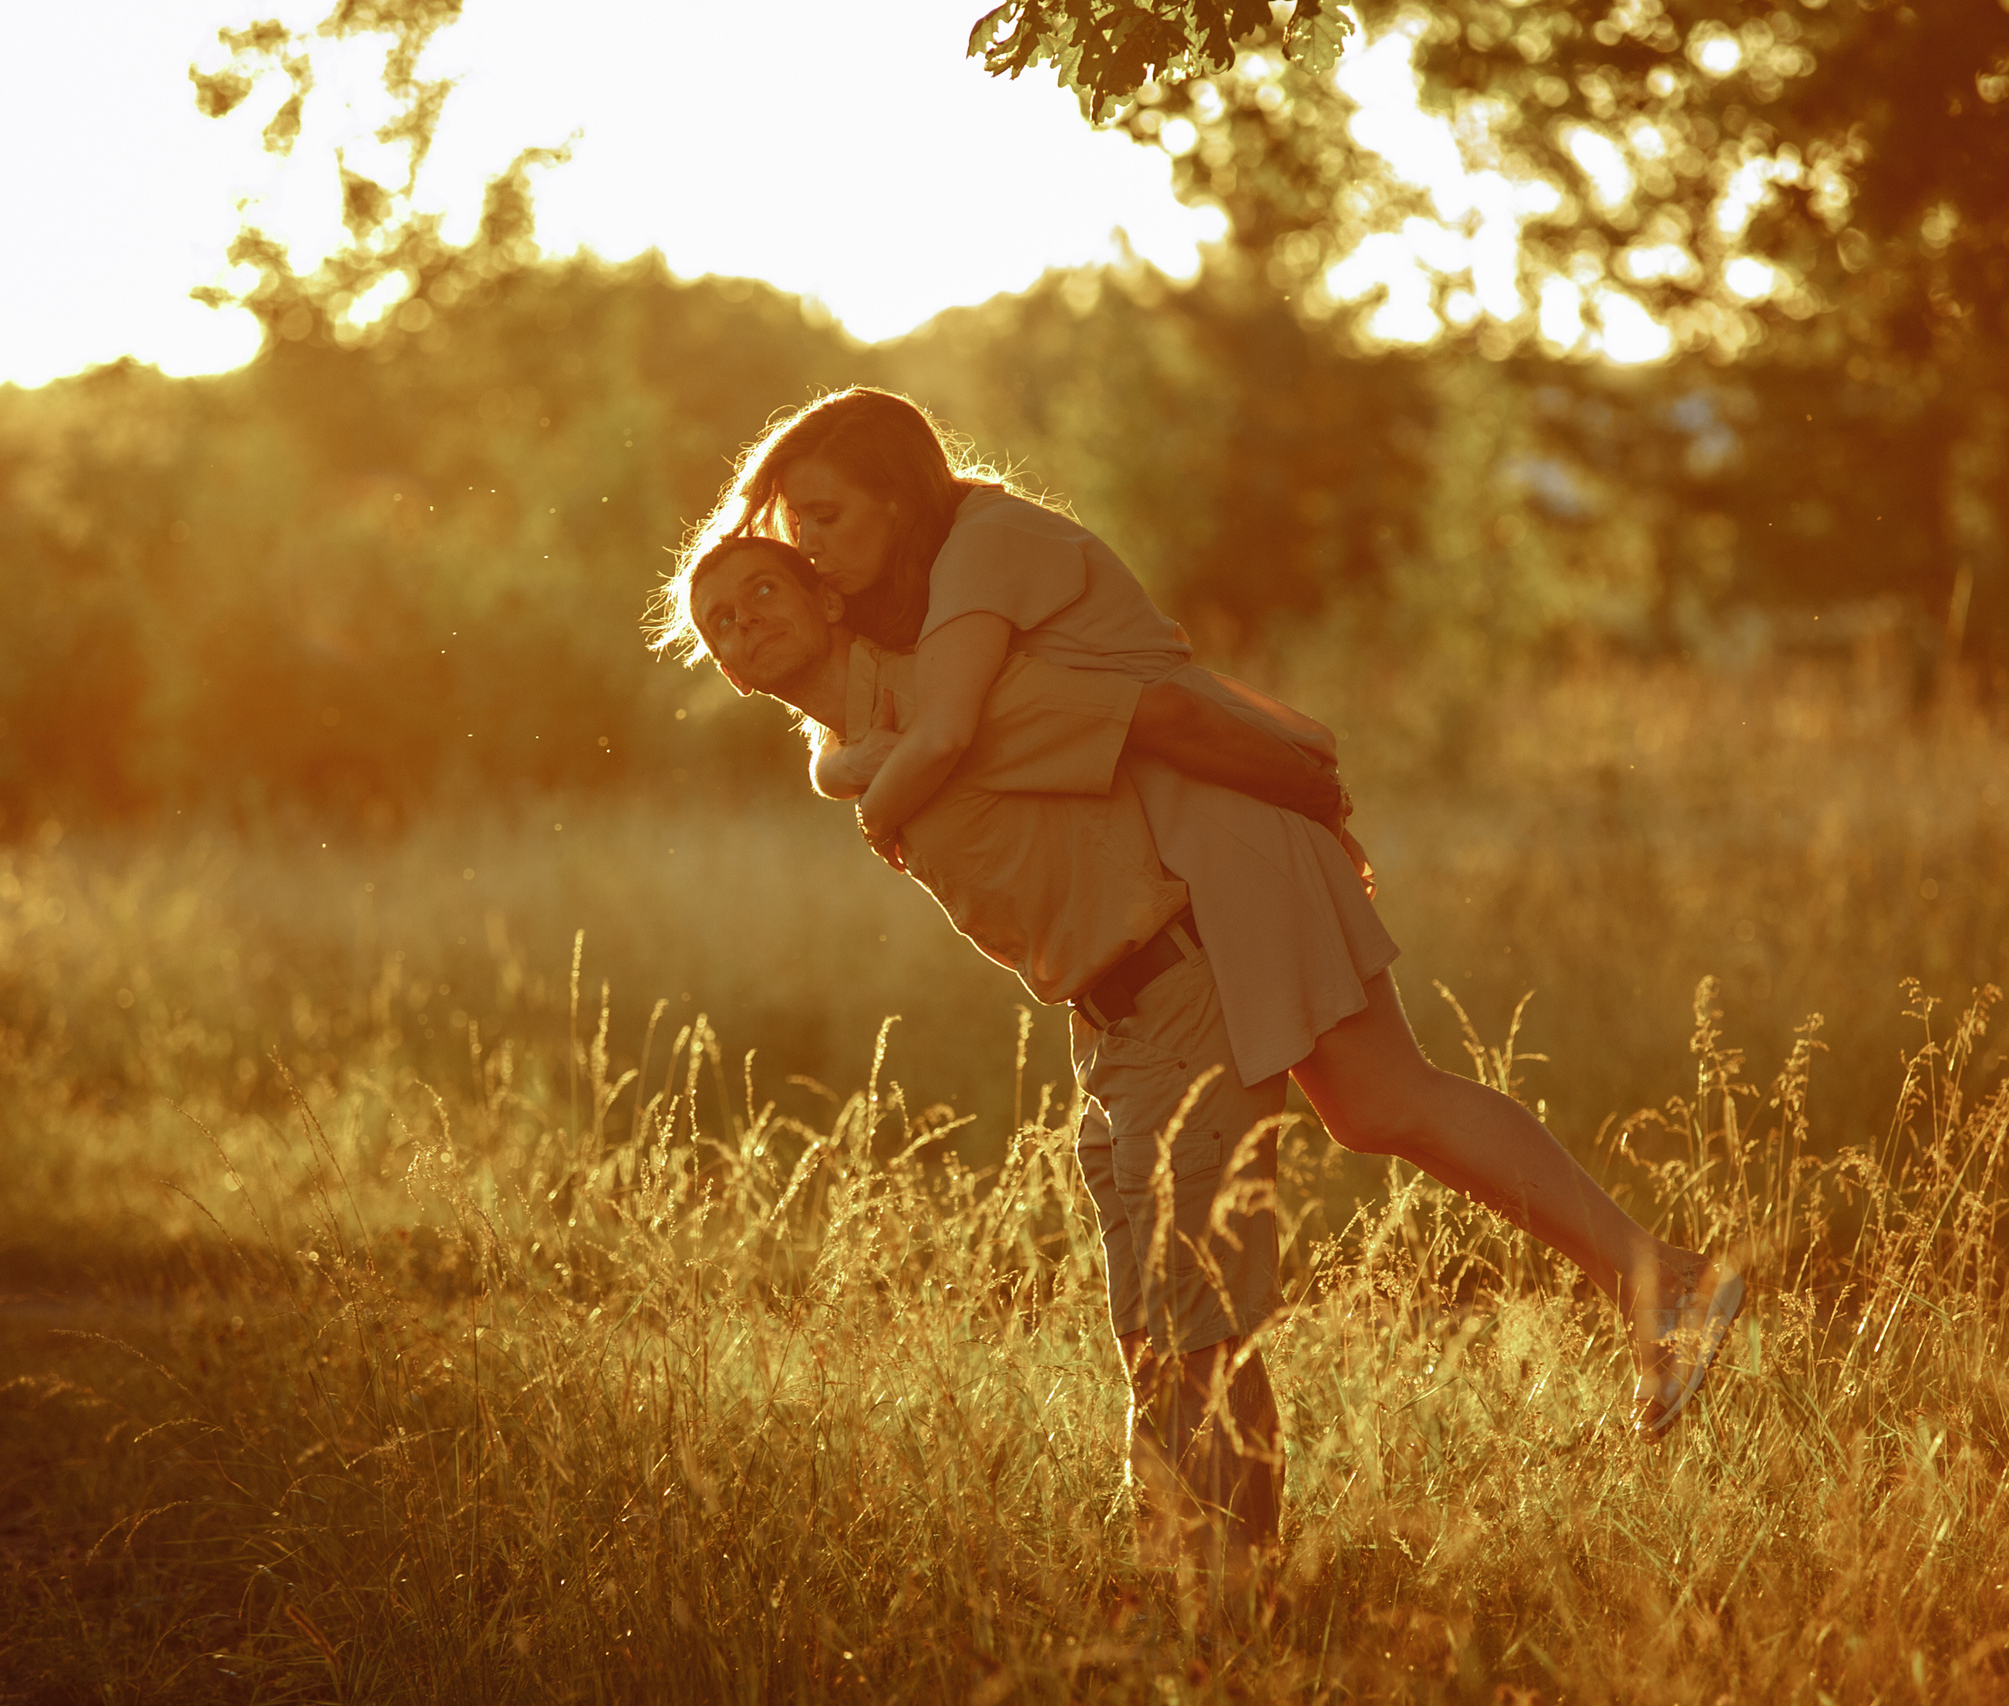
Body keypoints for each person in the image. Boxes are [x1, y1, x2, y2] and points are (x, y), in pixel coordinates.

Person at [648, 388, 1744, 1443]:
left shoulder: (982, 547)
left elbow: (1000, 730)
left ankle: (1656, 1282)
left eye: (828, 517)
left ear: (899, 495)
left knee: (1377, 1103)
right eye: (798, 525)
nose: (812, 547)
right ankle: (1659, 1280)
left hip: (1217, 844)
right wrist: (859, 776)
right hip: (1205, 837)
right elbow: (883, 750)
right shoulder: (930, 625)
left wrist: (1302, 782)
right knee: (1379, 1102)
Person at [679, 533, 1337, 1593]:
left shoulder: (955, 697)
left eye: (763, 587)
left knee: (1193, 1328)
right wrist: (857, 772)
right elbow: (847, 768)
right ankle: (1205, 1591)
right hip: (1105, 1026)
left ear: (830, 599)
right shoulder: (856, 747)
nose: (742, 616)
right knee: (1153, 1332)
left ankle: (1217, 1609)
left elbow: (1156, 714)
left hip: (1180, 986)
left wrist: (1319, 786)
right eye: (719, 619)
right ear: (729, 672)